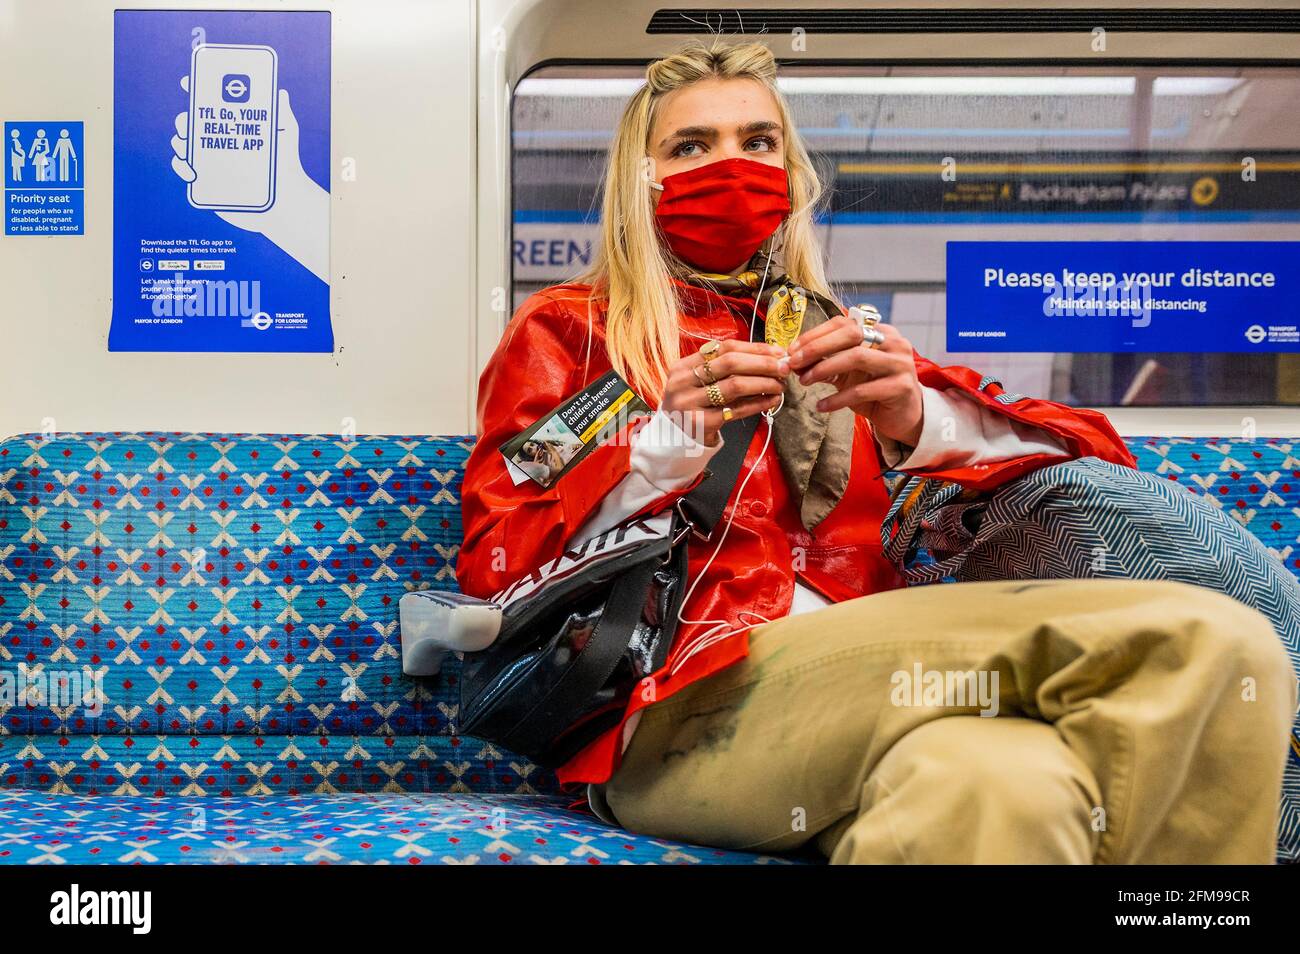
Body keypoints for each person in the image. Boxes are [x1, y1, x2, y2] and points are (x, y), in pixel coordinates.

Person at [457, 38, 1297, 863]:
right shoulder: (573, 330)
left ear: (790, 169)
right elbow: (498, 564)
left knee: (1007, 789)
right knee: (1206, 641)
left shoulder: (828, 333)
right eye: (691, 145)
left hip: (871, 697)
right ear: (646, 179)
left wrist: (916, 415)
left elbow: (1091, 456)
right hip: (678, 706)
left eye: (758, 141)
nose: (732, 163)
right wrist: (666, 443)